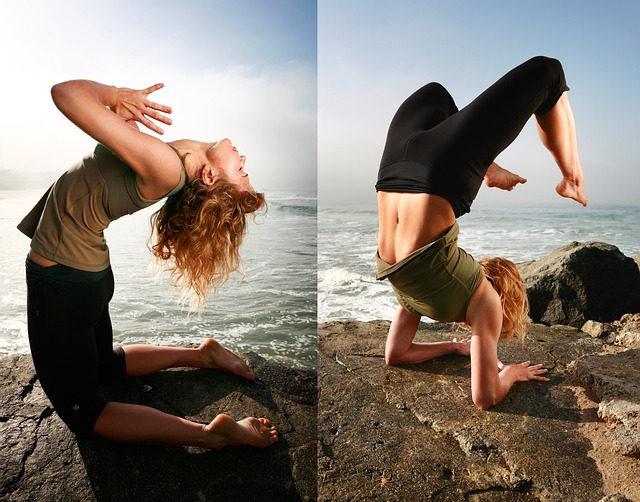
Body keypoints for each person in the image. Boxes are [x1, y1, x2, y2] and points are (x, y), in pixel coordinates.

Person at [18, 79, 278, 449]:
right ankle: (203, 356)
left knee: (84, 413)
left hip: (62, 280)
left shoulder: (166, 167)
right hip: (84, 275)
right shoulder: (165, 161)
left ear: (209, 176)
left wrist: (116, 96)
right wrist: (122, 115)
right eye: (244, 169)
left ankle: (209, 434)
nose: (244, 161)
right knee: (104, 366)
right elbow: (112, 153)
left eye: (241, 172)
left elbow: (64, 93)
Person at [375, 56, 587, 410]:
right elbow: (485, 395)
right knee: (543, 75)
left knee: (440, 93)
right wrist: (513, 374)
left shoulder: (438, 296)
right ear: (505, 302)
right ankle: (572, 180)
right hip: (400, 178)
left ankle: (507, 169)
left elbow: (395, 355)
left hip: (415, 169)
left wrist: (458, 347)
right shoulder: (444, 299)